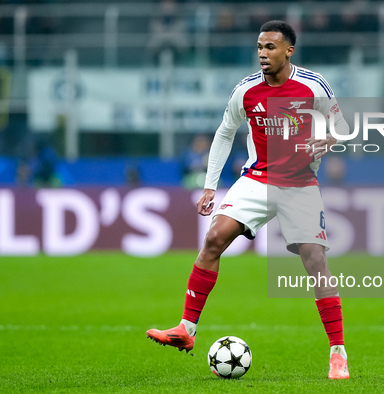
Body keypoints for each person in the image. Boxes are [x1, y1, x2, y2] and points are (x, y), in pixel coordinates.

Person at [147, 20, 350, 380]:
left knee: (315, 260)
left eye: (270, 47)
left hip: (300, 183)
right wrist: (210, 186)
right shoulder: (246, 91)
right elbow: (224, 133)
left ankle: (337, 353)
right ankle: (186, 330)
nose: (262, 53)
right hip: (256, 179)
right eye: (259, 46)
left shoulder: (313, 85)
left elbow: (340, 126)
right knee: (213, 239)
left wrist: (327, 141)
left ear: (289, 51)